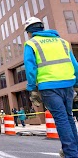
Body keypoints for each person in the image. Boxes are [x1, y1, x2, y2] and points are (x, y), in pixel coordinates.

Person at [23, 17, 78, 157]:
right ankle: (74, 150)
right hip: (68, 84)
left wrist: (32, 88)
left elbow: (30, 69)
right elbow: (74, 64)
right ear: (42, 27)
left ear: (29, 32)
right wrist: (76, 83)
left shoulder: (31, 44)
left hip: (49, 86)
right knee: (68, 117)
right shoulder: (63, 42)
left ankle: (71, 154)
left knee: (61, 118)